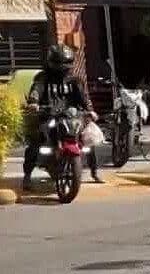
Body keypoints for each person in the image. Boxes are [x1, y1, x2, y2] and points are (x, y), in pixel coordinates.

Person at [23, 44, 101, 189]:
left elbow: (83, 98)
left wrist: (90, 110)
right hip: (48, 115)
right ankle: (27, 176)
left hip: (71, 116)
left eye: (66, 63)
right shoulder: (43, 77)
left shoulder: (74, 80)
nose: (63, 67)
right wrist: (34, 102)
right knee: (35, 140)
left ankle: (94, 172)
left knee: (87, 139)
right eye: (60, 63)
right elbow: (36, 90)